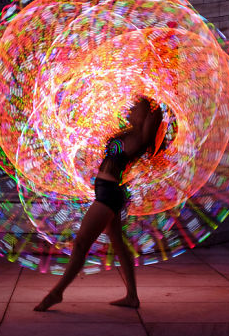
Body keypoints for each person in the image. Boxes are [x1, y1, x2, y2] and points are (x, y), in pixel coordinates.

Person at [34, 96, 163, 312]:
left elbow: (157, 111)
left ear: (146, 115)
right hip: (108, 191)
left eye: (136, 107)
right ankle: (132, 297)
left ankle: (57, 293)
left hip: (108, 195)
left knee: (81, 244)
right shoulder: (130, 134)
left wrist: (157, 95)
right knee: (118, 244)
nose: (130, 109)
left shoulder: (141, 137)